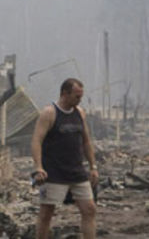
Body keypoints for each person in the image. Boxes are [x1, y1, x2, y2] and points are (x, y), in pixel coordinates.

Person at [31, 78, 98, 239]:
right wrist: (38, 167)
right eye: (76, 96)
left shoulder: (80, 113)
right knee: (47, 213)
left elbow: (86, 141)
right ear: (64, 94)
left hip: (77, 172)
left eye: (81, 96)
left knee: (89, 209)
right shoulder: (49, 113)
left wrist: (93, 166)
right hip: (54, 173)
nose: (79, 100)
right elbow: (36, 141)